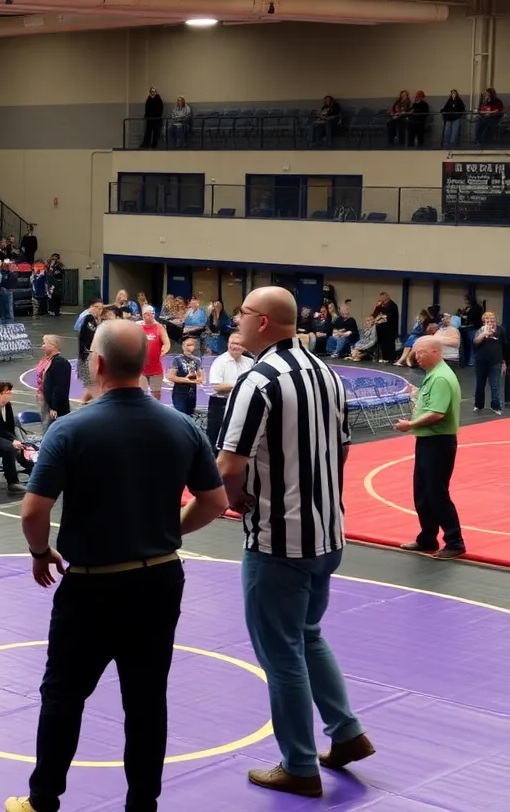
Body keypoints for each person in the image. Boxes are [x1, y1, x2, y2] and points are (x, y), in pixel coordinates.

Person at [5, 320, 227, 812]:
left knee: (63, 695)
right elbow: (214, 501)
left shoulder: (70, 428)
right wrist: (168, 534)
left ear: (98, 364)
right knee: (146, 700)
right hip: (160, 579)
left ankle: (43, 800)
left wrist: (41, 552)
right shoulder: (181, 425)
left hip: (93, 586)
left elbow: (34, 511)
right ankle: (141, 807)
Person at [217, 286, 373, 798]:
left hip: (278, 541)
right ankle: (346, 733)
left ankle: (300, 765)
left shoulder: (257, 380)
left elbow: (229, 466)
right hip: (328, 534)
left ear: (262, 323)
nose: (235, 320)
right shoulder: (327, 372)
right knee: (307, 634)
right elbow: (344, 451)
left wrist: (234, 503)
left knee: (281, 654)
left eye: (242, 312)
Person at [394, 336, 465, 560]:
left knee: (436, 493)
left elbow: (437, 413)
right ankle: (427, 537)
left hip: (438, 442)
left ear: (434, 352)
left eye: (420, 353)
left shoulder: (441, 378)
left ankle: (455, 541)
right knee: (423, 493)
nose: (416, 358)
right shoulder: (433, 376)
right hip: (428, 441)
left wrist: (410, 425)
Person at [206, 334, 253, 450]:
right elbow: (217, 386)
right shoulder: (220, 362)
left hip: (242, 403)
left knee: (237, 438)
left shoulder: (250, 362)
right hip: (220, 404)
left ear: (244, 347)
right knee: (216, 439)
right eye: (232, 343)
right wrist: (240, 384)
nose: (234, 346)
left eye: (238, 344)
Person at [472, 311, 505, 414]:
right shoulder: (480, 331)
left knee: (495, 385)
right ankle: (478, 405)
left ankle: (496, 406)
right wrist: (484, 334)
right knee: (480, 384)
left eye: (492, 320)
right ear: (484, 322)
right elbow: (475, 342)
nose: (490, 323)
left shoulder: (500, 330)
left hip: (495, 361)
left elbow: (504, 345)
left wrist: (504, 362)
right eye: (488, 321)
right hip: (481, 361)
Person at [37, 335, 72, 430]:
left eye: (44, 343)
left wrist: (54, 407)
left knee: (50, 429)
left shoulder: (60, 363)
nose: (42, 346)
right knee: (46, 425)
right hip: (47, 401)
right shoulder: (48, 361)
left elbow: (60, 387)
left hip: (55, 406)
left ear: (52, 346)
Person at [138, 305, 170, 398]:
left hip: (155, 368)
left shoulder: (159, 328)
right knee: (140, 393)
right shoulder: (138, 328)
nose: (147, 316)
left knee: (156, 394)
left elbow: (167, 344)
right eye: (145, 314)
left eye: (150, 314)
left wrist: (162, 352)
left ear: (153, 314)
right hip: (141, 368)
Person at [167, 335, 203, 416]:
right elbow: (171, 377)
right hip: (180, 392)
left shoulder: (197, 360)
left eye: (191, 345)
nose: (189, 347)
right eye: (187, 345)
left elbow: (201, 378)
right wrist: (186, 379)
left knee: (189, 415)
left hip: (192, 393)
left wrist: (195, 378)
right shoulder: (177, 359)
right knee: (180, 415)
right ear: (183, 346)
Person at [77, 301, 103, 403]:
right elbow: (93, 336)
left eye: (101, 309)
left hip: (86, 353)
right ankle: (88, 400)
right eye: (98, 308)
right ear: (92, 307)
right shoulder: (89, 318)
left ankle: (86, 399)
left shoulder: (89, 318)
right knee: (90, 380)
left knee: (89, 381)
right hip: (87, 354)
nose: (100, 311)